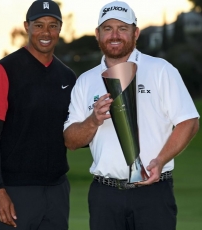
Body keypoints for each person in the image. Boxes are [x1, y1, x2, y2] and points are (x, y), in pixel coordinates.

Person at [63, 1, 200, 230]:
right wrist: (93, 121)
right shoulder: (85, 81)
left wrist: (160, 160)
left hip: (153, 194)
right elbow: (71, 141)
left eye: (122, 28)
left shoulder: (160, 70)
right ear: (98, 34)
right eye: (108, 28)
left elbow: (189, 122)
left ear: (135, 32)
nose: (115, 35)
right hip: (105, 196)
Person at [0, 0, 76, 229]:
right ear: (27, 26)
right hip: (15, 191)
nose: (46, 32)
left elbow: (72, 135)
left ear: (60, 29)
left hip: (57, 192)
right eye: (39, 25)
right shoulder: (2, 71)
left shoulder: (68, 76)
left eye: (53, 25)